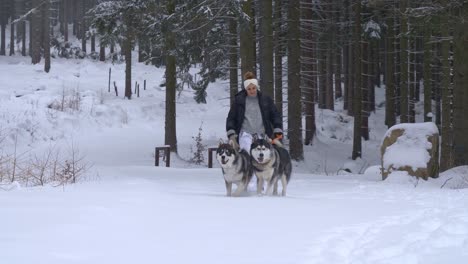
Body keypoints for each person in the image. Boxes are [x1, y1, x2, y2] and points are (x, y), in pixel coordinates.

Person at [226, 71, 283, 152]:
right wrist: (231, 134)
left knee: (262, 157)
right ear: (245, 89)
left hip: (262, 135)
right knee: (248, 154)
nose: (252, 91)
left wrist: (277, 128)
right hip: (245, 135)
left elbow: (275, 115)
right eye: (249, 89)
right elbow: (231, 118)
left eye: (253, 88)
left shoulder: (265, 99)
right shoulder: (239, 101)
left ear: (257, 87)